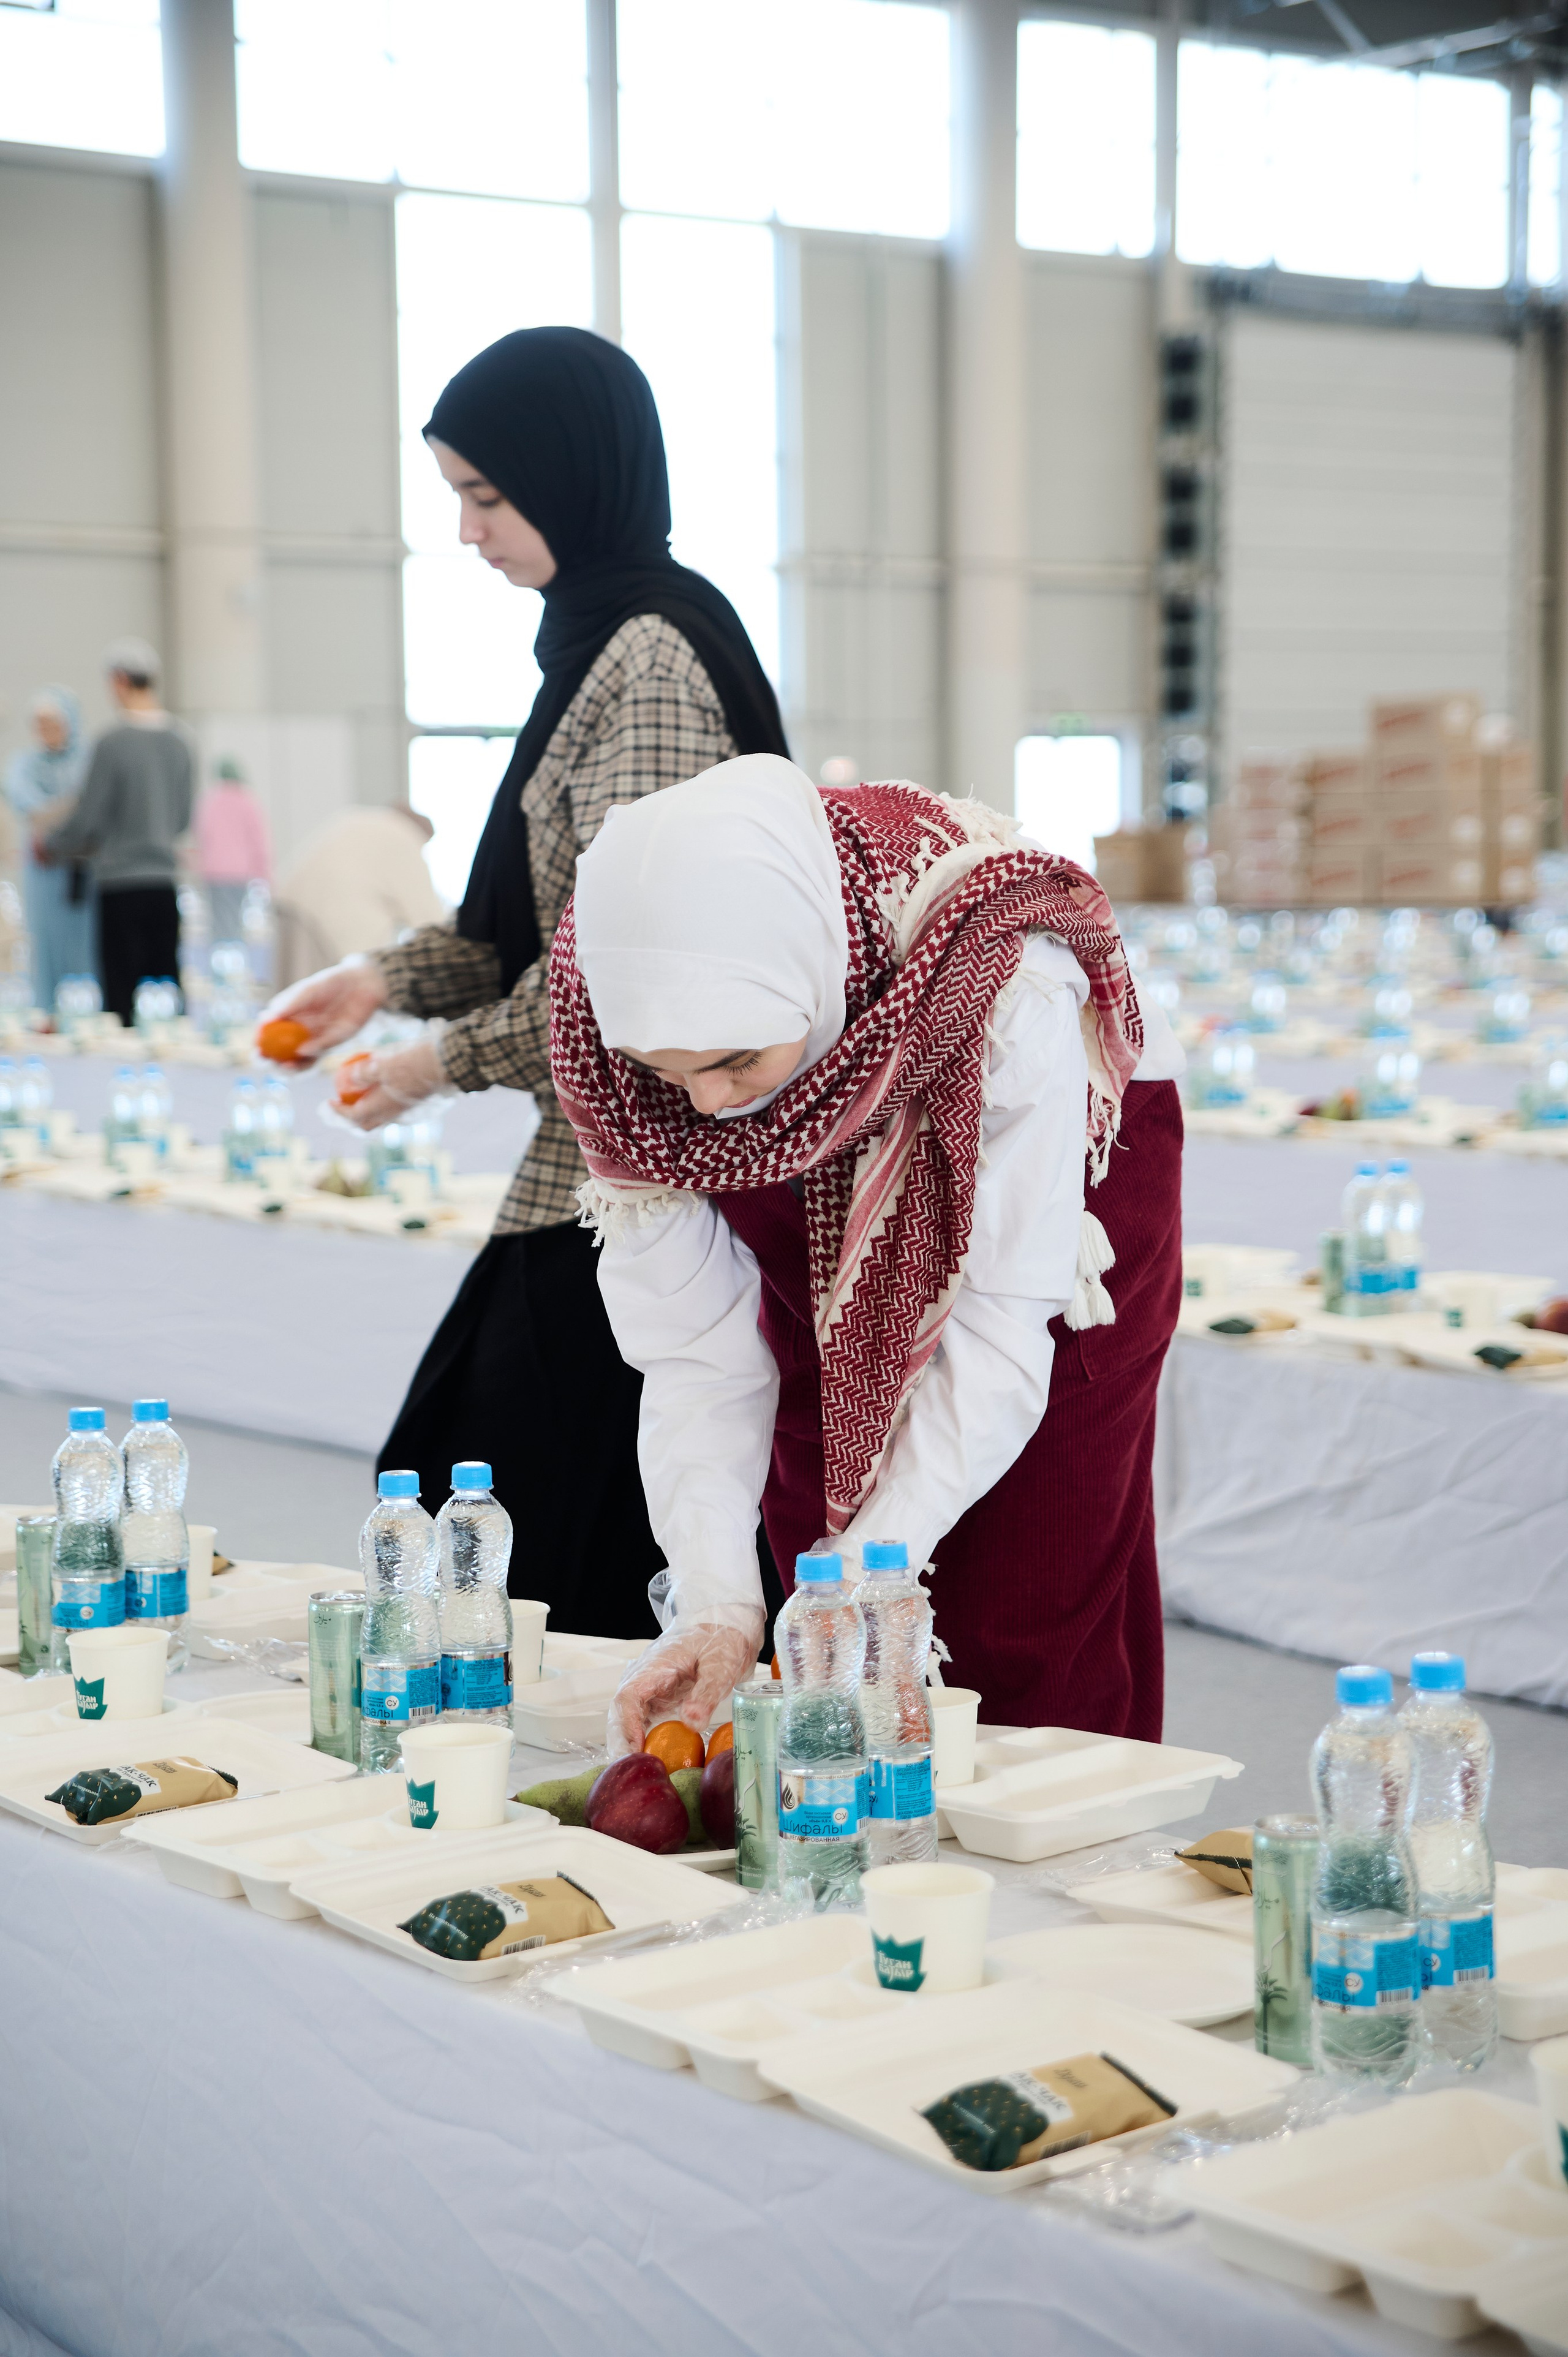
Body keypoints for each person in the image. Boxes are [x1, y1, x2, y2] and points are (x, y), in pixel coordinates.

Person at [262, 328, 789, 1635]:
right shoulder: (594, 645)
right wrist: (373, 981)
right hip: (587, 1169)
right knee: (498, 1515)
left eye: (485, 497)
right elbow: (524, 922)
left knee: (517, 1527)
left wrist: (427, 1063)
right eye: (455, 495)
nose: (466, 532)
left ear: (573, 477)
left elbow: (624, 978)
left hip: (649, 1177)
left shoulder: (652, 659)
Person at [548, 755, 1186, 1754]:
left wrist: (874, 1563)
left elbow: (998, 1324)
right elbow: (697, 1355)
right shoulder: (612, 1027)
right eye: (666, 1074)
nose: (709, 1108)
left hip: (1062, 1219)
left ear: (814, 980)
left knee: (1025, 1583)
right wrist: (716, 1602)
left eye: (729, 1062)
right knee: (815, 1530)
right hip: (831, 1105)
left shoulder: (1002, 979)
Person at [43, 639, 192, 1026]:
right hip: (164, 883)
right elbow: (182, 820)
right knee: (166, 995)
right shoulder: (181, 742)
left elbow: (88, 818)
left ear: (120, 680)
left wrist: (51, 844)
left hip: (120, 884)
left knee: (122, 1004)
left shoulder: (111, 743)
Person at [273, 804, 444, 984]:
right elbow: (429, 920)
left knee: (294, 994)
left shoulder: (360, 819)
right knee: (337, 1000)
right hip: (336, 927)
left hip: (288, 910)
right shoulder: (407, 837)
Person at [2, 688, 93, 1011]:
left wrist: (58, 814)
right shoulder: (24, 764)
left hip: (83, 866)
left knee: (85, 942)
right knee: (45, 939)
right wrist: (68, 809)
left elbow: (91, 806)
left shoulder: (88, 761)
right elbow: (31, 808)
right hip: (43, 869)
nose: (46, 730)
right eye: (39, 724)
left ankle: (85, 1009)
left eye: (52, 722)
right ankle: (48, 1010)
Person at [194, 758, 271, 945]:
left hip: (213, 873)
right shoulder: (247, 801)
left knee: (218, 922)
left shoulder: (209, 800)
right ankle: (234, 962)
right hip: (239, 872)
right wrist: (264, 872)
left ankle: (219, 964)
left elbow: (201, 835)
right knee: (236, 922)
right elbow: (258, 839)